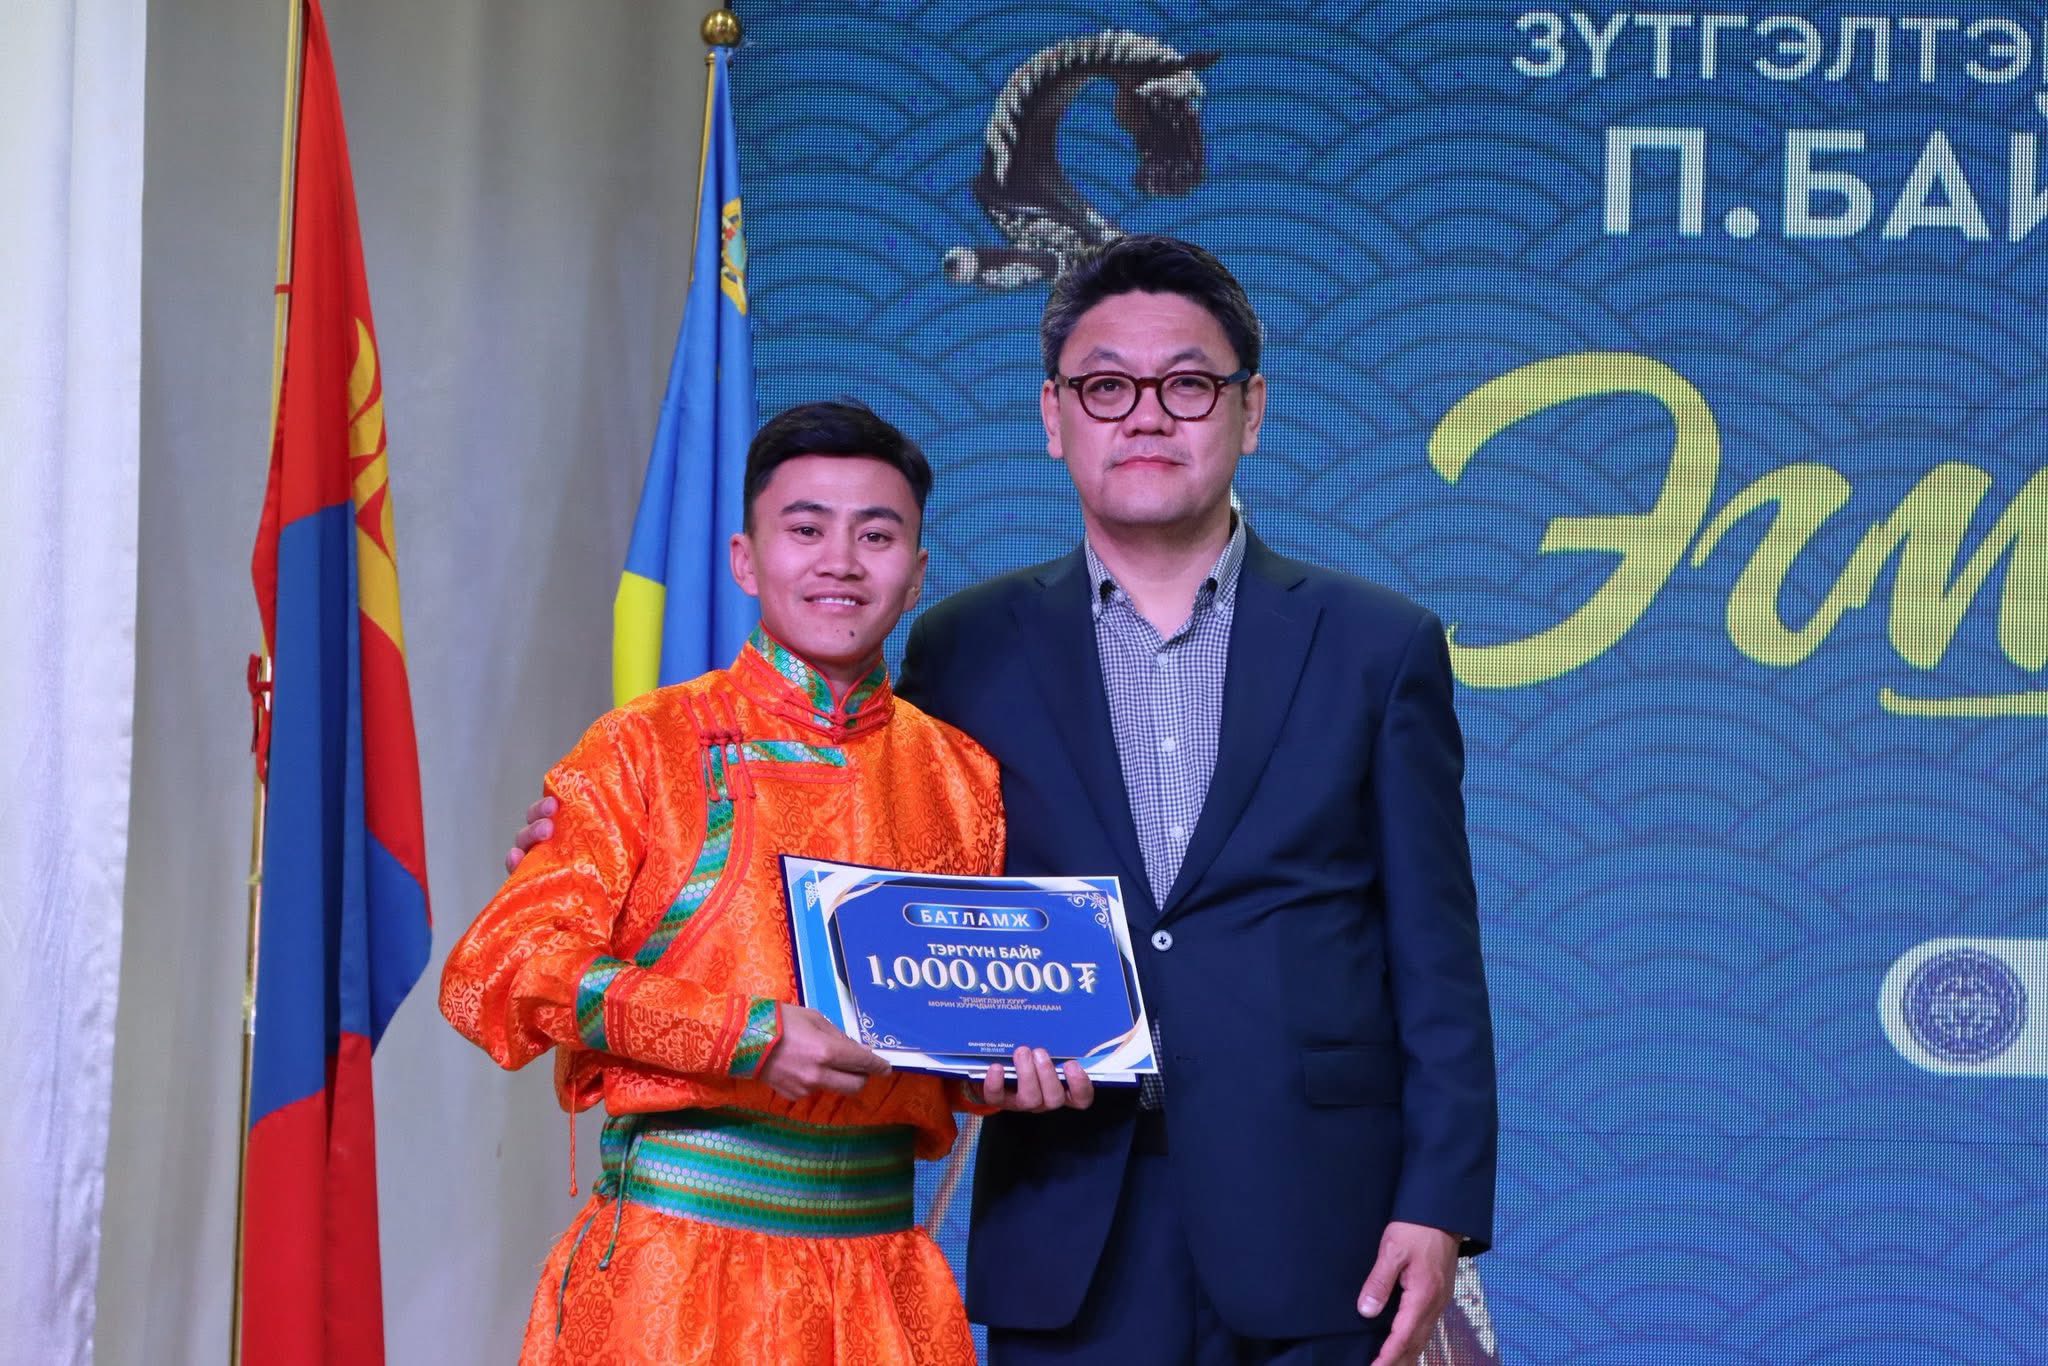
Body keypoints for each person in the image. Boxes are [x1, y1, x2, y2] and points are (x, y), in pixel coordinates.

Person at [514, 237, 1497, 1364]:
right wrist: (617, 843)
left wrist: (1440, 1205)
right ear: (1052, 416)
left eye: (1186, 384)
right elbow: (864, 845)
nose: (1145, 416)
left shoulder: (1377, 646)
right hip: (1065, 1217)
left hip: (1320, 1223)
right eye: (1105, 386)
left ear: (1250, 409)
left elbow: (1436, 956)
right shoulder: (964, 647)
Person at [445, 399, 1090, 1366]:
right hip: (673, 1279)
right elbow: (500, 966)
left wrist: (1007, 1074)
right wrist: (744, 1037)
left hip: (884, 1282)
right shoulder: (646, 746)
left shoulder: (963, 779)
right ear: (745, 560)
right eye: (806, 530)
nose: (841, 561)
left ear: (918, 575)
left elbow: (950, 1025)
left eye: (877, 535)